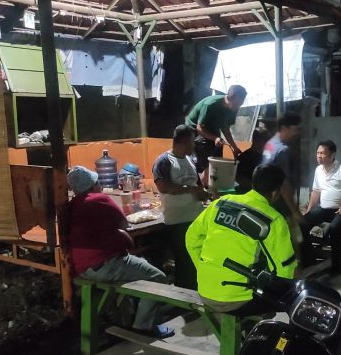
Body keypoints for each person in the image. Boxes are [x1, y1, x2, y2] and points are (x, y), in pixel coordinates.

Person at [67, 166, 174, 338]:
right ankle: (143, 326)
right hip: (106, 264)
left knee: (139, 265)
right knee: (158, 277)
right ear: (93, 185)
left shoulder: (72, 205)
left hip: (83, 268)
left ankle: (128, 318)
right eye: (97, 182)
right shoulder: (99, 199)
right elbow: (124, 224)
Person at [185, 164, 297, 315]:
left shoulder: (221, 203)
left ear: (253, 183)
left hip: (205, 290)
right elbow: (285, 268)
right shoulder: (273, 219)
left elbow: (191, 238)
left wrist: (204, 267)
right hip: (238, 300)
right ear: (276, 192)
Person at [152, 125, 209, 289]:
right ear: (183, 142)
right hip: (177, 221)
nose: (194, 145)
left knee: (195, 259)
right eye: (192, 142)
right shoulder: (164, 161)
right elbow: (163, 187)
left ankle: (194, 291)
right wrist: (191, 190)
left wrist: (204, 193)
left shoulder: (190, 160)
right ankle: (183, 295)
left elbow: (197, 186)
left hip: (195, 218)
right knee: (184, 262)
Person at [300, 140, 341, 273]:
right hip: (324, 209)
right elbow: (316, 191)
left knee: (334, 229)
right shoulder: (318, 170)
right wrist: (309, 210)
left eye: (322, 153)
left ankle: (337, 265)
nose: (319, 156)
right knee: (302, 223)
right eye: (317, 153)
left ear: (332, 155)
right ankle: (308, 258)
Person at [261, 112, 309, 265]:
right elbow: (284, 185)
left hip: (267, 202)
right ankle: (295, 272)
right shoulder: (282, 150)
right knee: (293, 242)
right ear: (284, 128)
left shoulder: (269, 144)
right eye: (295, 129)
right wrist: (295, 211)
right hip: (281, 204)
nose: (297, 133)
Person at [185, 85, 247, 176]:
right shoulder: (211, 104)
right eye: (237, 104)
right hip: (194, 130)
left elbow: (225, 129)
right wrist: (215, 138)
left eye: (240, 105)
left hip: (211, 129)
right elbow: (199, 128)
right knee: (205, 145)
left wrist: (234, 147)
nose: (238, 107)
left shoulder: (233, 108)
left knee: (218, 147)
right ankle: (200, 172)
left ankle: (213, 175)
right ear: (230, 98)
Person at [235, 127, 270, 193]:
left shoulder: (266, 157)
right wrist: (257, 187)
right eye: (265, 140)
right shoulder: (245, 157)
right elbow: (239, 178)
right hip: (246, 192)